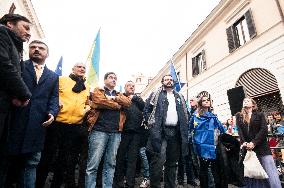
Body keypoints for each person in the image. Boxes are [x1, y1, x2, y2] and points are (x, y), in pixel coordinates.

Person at [5, 40, 59, 187]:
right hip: (14, 123)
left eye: (41, 48)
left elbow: (54, 98)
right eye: (33, 47)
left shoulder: (53, 76)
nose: (36, 50)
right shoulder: (19, 67)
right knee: (8, 163)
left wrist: (52, 113)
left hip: (37, 126)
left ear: (47, 54)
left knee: (31, 164)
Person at [36, 63, 90, 188]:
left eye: (84, 68)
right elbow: (52, 94)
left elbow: (87, 102)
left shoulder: (86, 86)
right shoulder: (61, 80)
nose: (82, 69)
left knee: (64, 159)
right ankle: (38, 184)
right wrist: (57, 104)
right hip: (57, 123)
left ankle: (56, 185)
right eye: (79, 67)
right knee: (48, 156)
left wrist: (85, 109)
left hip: (74, 126)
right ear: (72, 68)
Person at [0, 14, 32, 186]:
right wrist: (24, 93)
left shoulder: (16, 46)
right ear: (10, 24)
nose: (28, 33)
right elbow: (4, 65)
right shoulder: (2, 33)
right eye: (25, 28)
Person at [85, 72, 131, 188]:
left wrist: (114, 98)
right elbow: (99, 101)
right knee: (93, 165)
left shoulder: (119, 94)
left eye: (115, 78)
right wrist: (117, 105)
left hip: (116, 132)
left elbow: (128, 102)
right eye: (111, 77)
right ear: (105, 80)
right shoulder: (98, 90)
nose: (114, 80)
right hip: (99, 131)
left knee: (110, 164)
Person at [144, 74, 189, 188]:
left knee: (172, 163)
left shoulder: (179, 96)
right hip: (160, 132)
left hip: (175, 132)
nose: (169, 81)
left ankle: (170, 185)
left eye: (170, 79)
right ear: (162, 82)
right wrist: (152, 125)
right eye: (166, 80)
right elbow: (147, 110)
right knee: (158, 161)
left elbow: (185, 114)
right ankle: (155, 185)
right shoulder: (156, 95)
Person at [236, 97, 281, 188]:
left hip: (262, 147)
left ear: (253, 104)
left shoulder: (260, 114)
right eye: (244, 101)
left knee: (269, 172)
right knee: (254, 174)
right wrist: (244, 143)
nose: (245, 101)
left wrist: (254, 142)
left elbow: (264, 130)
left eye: (248, 100)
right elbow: (240, 131)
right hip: (249, 150)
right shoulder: (239, 116)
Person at [114, 80, 145, 188]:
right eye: (129, 86)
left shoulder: (137, 99)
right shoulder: (120, 97)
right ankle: (118, 182)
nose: (131, 87)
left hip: (136, 133)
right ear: (125, 87)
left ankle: (130, 183)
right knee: (120, 157)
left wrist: (135, 97)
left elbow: (144, 107)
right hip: (123, 132)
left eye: (133, 86)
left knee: (133, 159)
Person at [189, 95, 225, 188]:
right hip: (202, 145)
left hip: (213, 144)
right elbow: (190, 129)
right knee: (204, 168)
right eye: (204, 100)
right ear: (200, 103)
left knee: (214, 168)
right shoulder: (196, 116)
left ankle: (214, 185)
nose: (206, 101)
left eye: (208, 100)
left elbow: (221, 129)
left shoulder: (213, 116)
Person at [177, 96, 199, 187]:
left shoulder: (196, 112)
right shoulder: (185, 111)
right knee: (182, 159)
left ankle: (191, 179)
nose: (190, 102)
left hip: (191, 139)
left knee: (189, 160)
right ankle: (180, 179)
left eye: (192, 100)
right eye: (189, 100)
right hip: (182, 138)